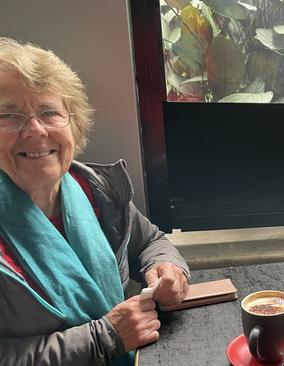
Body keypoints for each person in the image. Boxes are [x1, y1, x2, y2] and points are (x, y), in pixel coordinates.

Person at [0, 37, 190, 365]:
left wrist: (166, 266)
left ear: (74, 124)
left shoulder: (94, 189)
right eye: (9, 115)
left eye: (49, 112)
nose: (34, 130)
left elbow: (151, 242)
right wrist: (103, 338)